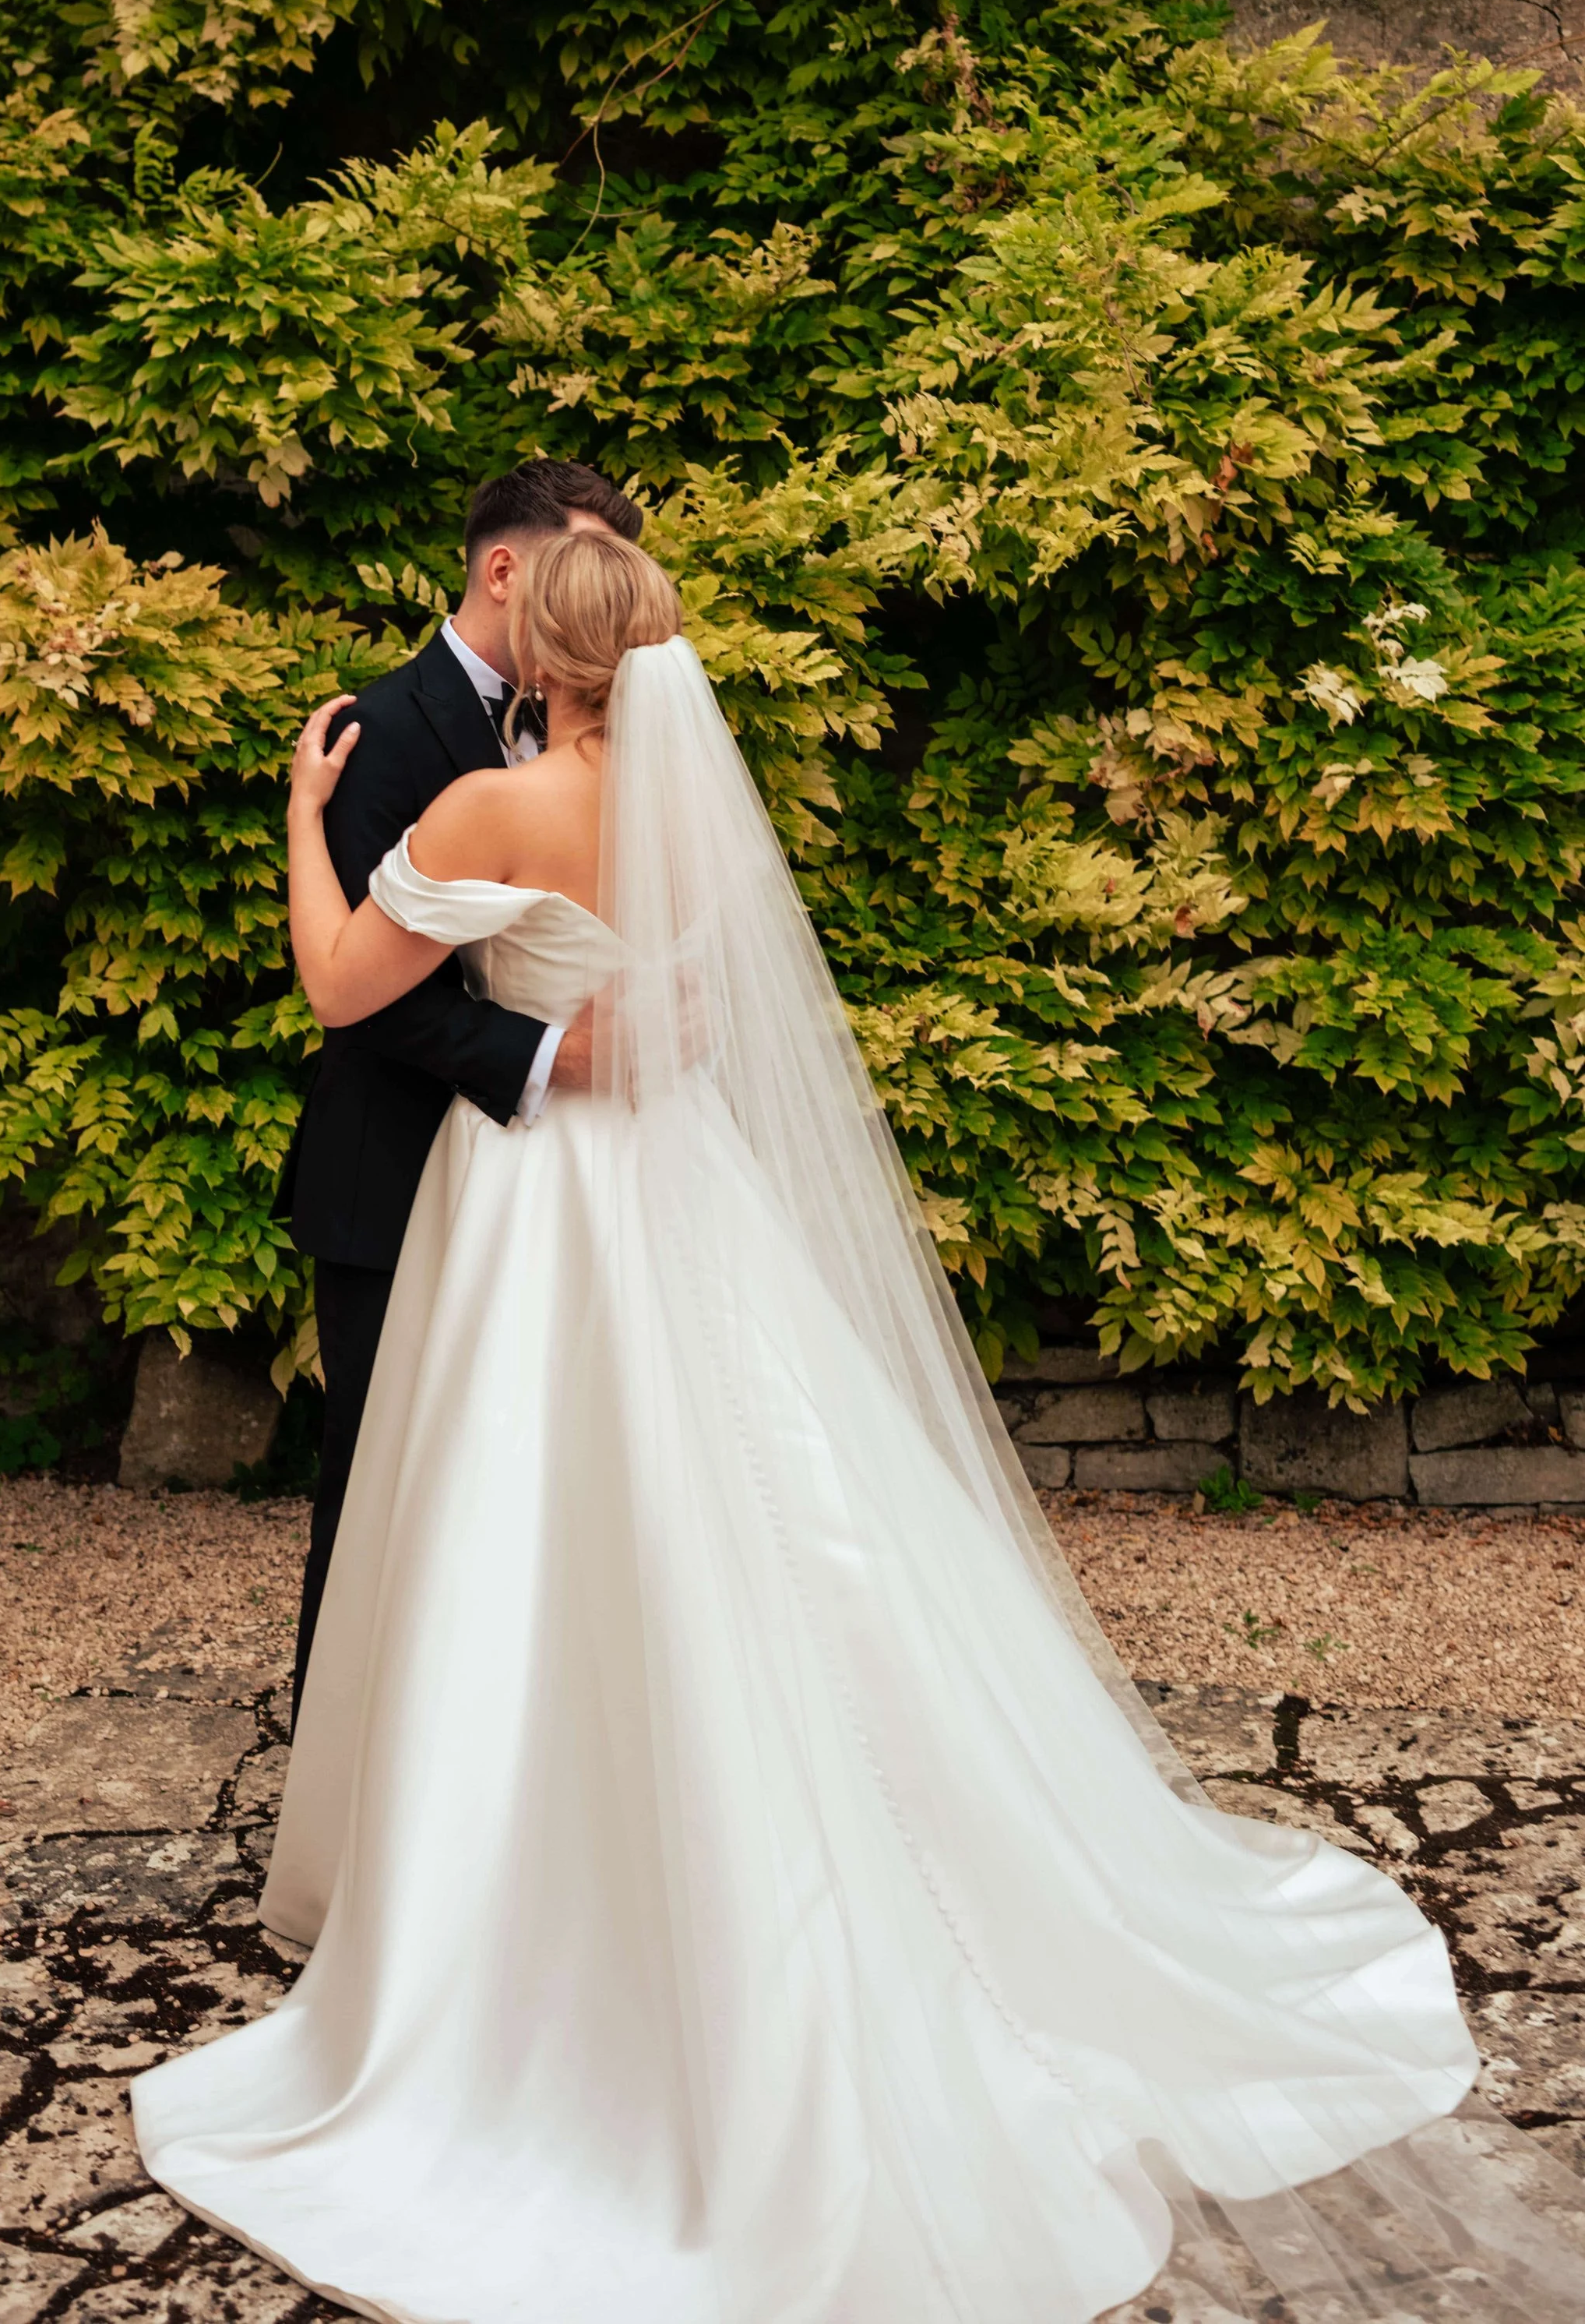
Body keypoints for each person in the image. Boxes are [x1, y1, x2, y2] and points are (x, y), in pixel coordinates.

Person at [136, 527, 1585, 2322]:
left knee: (527, 1532)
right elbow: (714, 1018)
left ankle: (521, 1912)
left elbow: (340, 989)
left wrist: (303, 819)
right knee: (756, 1510)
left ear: (548, 662)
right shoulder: (687, 814)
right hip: (682, 1188)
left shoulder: (498, 817)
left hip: (537, 1216)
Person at [282, 458, 642, 1720]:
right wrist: (550, 1056)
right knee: (379, 1480)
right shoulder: (384, 729)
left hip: (565, 1187)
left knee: (561, 1493)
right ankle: (344, 1768)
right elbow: (380, 1004)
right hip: (397, 1170)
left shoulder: (581, 766)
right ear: (508, 568)